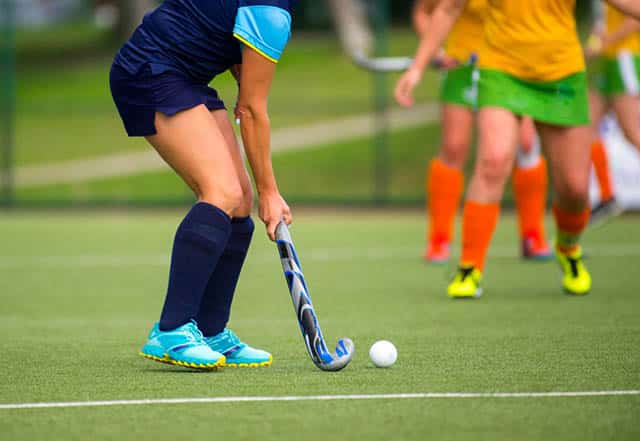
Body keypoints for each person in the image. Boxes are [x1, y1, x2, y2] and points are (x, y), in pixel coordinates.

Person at [396, 0, 640, 298]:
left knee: (574, 188)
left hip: (561, 74)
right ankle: (469, 267)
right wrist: (418, 67)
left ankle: (568, 247)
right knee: (494, 160)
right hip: (501, 71)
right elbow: (447, 9)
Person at [109, 0, 296, 369]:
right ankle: (172, 330)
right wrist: (271, 193)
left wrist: (258, 194)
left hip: (185, 76)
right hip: (151, 70)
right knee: (222, 192)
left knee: (239, 201)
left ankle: (211, 330)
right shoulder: (271, 13)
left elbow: (239, 71)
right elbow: (253, 109)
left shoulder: (271, 10)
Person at [412, 0, 551, 264]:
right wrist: (438, 52)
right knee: (454, 147)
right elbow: (423, 13)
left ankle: (533, 236)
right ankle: (439, 239)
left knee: (526, 143)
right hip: (463, 66)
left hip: (512, 68)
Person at [586, 4, 640, 224]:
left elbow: (635, 19)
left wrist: (606, 41)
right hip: (606, 60)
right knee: (585, 127)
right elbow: (601, 24)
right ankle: (607, 196)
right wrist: (593, 43)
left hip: (624, 57)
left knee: (632, 131)